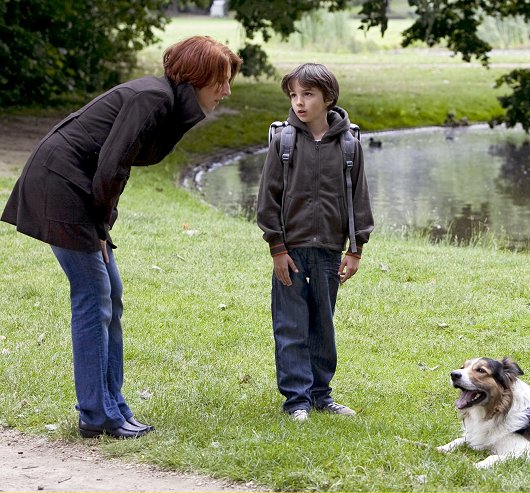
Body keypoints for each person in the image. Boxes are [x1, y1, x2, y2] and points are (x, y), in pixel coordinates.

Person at [1, 36, 242, 439]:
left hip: (77, 186)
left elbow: (117, 163)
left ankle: (113, 407)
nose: (226, 91)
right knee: (93, 295)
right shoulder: (153, 98)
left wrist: (101, 224)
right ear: (196, 75)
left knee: (110, 292)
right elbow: (112, 165)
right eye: (220, 80)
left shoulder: (163, 99)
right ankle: (97, 413)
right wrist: (100, 224)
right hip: (60, 184)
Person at [257, 63, 374, 422]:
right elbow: (267, 200)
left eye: (307, 94)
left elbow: (360, 202)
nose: (299, 102)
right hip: (290, 251)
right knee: (291, 325)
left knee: (323, 325)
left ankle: (321, 395)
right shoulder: (283, 141)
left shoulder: (349, 145)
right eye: (293, 95)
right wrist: (277, 249)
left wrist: (356, 249)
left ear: (328, 98)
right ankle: (296, 401)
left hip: (329, 253)